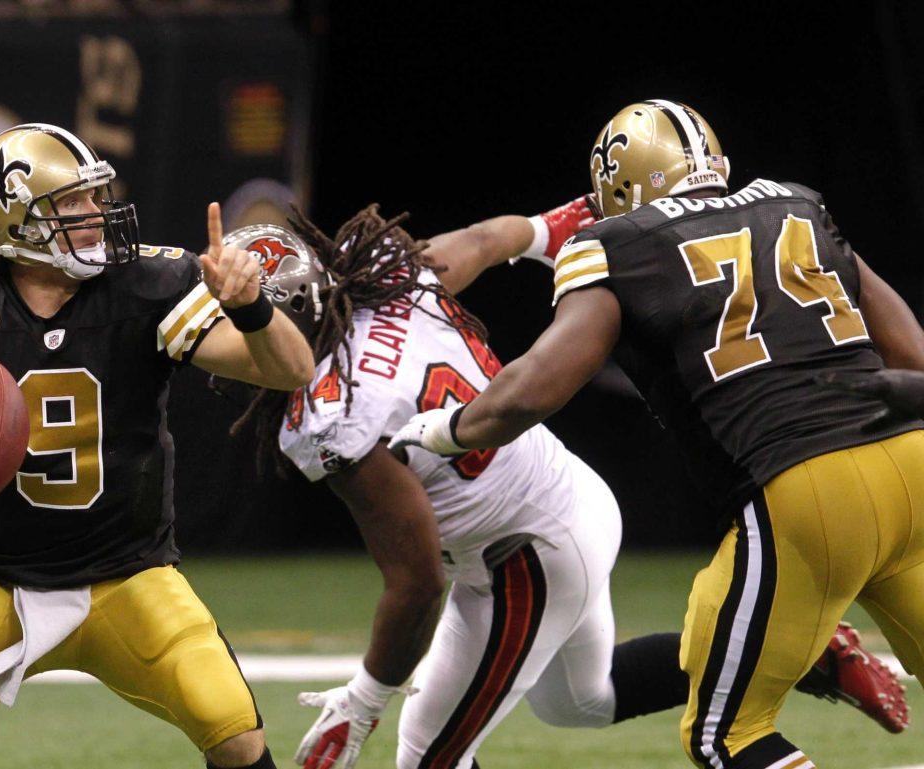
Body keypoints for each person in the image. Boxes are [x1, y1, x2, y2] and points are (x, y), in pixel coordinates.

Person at [226, 204, 900, 769]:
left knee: (427, 750)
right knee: (580, 701)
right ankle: (809, 654)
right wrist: (557, 225)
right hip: (561, 500)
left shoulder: (333, 417)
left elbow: (418, 580)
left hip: (525, 555)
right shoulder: (388, 271)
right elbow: (492, 241)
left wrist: (366, 696)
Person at [391, 100, 924, 769]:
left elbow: (532, 390)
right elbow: (911, 353)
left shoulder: (618, 244)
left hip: (805, 484)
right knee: (707, 634)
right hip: (911, 463)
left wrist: (442, 431)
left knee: (726, 736)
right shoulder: (797, 203)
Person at [0, 123, 314, 769]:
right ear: (14, 222)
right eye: (72, 204)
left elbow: (290, 370)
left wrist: (253, 306)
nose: (95, 215)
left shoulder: (146, 283)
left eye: (94, 199)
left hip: (130, 577)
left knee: (235, 730)